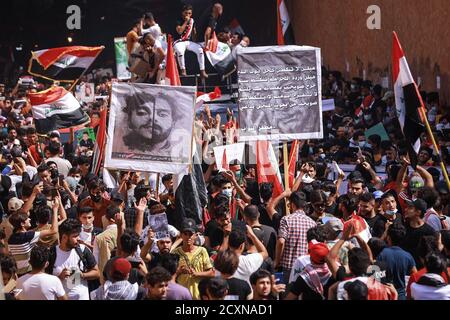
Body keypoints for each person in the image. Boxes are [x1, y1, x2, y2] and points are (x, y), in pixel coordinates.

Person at [118, 90, 184, 157]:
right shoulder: (117, 147)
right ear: (129, 119)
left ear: (173, 122)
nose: (153, 118)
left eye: (162, 114)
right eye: (142, 113)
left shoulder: (180, 153)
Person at [47, 219, 100, 300]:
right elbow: (45, 280)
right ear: (64, 237)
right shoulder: (52, 253)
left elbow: (97, 273)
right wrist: (59, 277)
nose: (78, 239)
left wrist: (81, 275)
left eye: (78, 235)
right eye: (75, 236)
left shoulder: (83, 250)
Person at [7, 199, 59, 276]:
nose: (30, 219)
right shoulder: (28, 236)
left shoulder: (11, 238)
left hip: (18, 273)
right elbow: (54, 230)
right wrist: (55, 209)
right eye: (27, 219)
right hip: (30, 272)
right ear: (22, 224)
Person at [275, 191, 316, 284]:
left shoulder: (286, 219)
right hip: (306, 267)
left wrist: (277, 261)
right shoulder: (312, 223)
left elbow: (281, 241)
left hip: (288, 267)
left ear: (292, 205)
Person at [173, 218, 214, 300]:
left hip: (199, 296)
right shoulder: (175, 253)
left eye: (191, 234)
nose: (188, 237)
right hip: (181, 296)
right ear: (181, 235)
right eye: (185, 233)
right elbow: (169, 276)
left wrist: (197, 273)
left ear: (195, 235)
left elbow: (212, 273)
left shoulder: (202, 251)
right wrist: (179, 271)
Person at [377, 224, 417, 300]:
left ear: (388, 238)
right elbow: (415, 276)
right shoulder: (408, 256)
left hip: (385, 294)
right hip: (401, 296)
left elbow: (376, 277)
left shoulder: (381, 254)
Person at [174, 5, 208, 79]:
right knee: (180, 51)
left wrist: (196, 42)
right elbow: (179, 31)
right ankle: (183, 70)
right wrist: (186, 21)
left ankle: (202, 71)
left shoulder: (192, 21)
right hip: (179, 41)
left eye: (189, 13)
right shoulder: (178, 20)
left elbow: (193, 33)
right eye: (186, 13)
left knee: (200, 49)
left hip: (188, 42)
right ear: (182, 13)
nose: (188, 15)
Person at [401, 199, 437, 267]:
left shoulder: (429, 232)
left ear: (418, 212)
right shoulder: (403, 227)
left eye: (410, 208)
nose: (406, 209)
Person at [92, 205, 119, 282]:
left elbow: (95, 261)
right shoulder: (126, 234)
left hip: (105, 279)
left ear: (106, 219)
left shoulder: (99, 238)